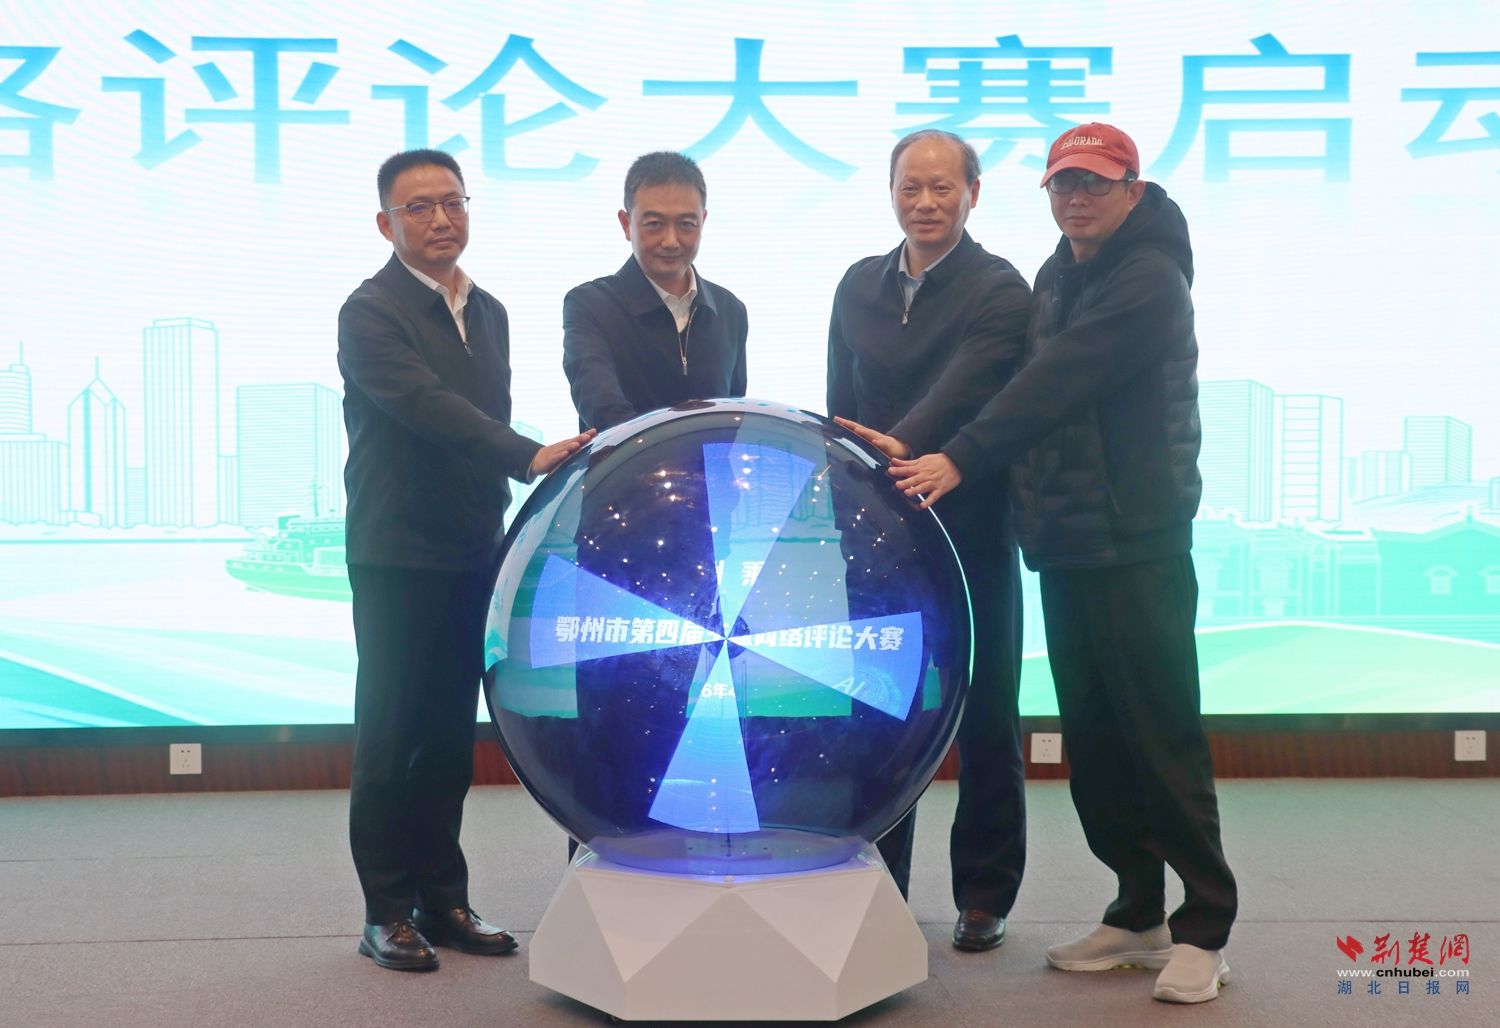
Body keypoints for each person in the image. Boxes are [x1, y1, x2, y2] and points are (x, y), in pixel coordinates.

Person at [842, 123, 1237, 1004]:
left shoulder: (1148, 278)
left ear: (1133, 189)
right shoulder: (1061, 271)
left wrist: (958, 455)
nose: (1077, 198)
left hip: (1136, 539)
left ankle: (1205, 927)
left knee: (1160, 733)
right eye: (1064, 184)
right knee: (1095, 739)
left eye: (1095, 183)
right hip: (1064, 540)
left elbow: (1055, 380)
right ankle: (1138, 910)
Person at [338, 148, 594, 972]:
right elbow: (428, 407)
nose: (441, 219)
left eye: (453, 202)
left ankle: (442, 900)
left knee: (450, 737)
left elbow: (480, 412)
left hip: (471, 547)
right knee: (393, 733)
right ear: (386, 224)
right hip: (397, 551)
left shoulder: (487, 310)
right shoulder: (370, 311)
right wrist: (526, 455)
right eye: (419, 207)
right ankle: (385, 911)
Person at [826, 129, 1031, 953]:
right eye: (911, 187)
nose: (926, 202)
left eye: (942, 187)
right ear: (891, 193)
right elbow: (840, 403)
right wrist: (850, 486)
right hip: (880, 533)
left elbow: (968, 386)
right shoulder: (856, 284)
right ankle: (878, 884)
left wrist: (896, 446)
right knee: (880, 709)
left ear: (973, 193)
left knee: (986, 710)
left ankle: (985, 893)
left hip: (970, 526)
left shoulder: (1000, 288)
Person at [563, 151, 748, 431]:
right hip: (624, 459)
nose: (670, 241)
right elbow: (602, 409)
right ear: (626, 224)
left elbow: (732, 415)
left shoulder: (730, 310)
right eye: (654, 224)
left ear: (703, 222)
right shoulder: (590, 305)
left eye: (686, 224)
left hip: (707, 461)